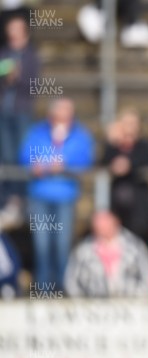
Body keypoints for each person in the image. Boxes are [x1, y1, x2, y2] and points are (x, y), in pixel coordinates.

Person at [19, 98, 94, 293]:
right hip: (40, 194)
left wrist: (64, 165)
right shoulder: (37, 132)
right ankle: (43, 289)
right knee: (41, 245)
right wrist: (39, 165)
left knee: (62, 245)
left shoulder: (80, 135)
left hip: (65, 196)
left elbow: (85, 158)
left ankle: (62, 288)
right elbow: (25, 155)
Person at [101, 108, 148, 249]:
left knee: (141, 238)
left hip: (138, 203)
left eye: (132, 123)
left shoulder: (143, 145)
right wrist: (111, 142)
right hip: (118, 203)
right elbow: (103, 162)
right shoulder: (114, 146)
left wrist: (128, 164)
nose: (129, 127)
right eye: (126, 123)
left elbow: (147, 161)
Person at [64, 210, 148, 298]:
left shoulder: (135, 247)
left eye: (105, 223)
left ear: (115, 222)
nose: (101, 227)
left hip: (131, 304)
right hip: (94, 306)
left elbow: (147, 277)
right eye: (97, 225)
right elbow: (71, 282)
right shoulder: (83, 251)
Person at [0, 15, 40, 168]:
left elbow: (34, 86)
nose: (12, 32)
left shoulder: (32, 56)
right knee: (6, 154)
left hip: (22, 111)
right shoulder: (3, 53)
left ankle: (20, 190)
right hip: (3, 110)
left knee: (22, 152)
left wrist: (18, 77)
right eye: (11, 28)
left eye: (16, 28)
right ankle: (7, 191)